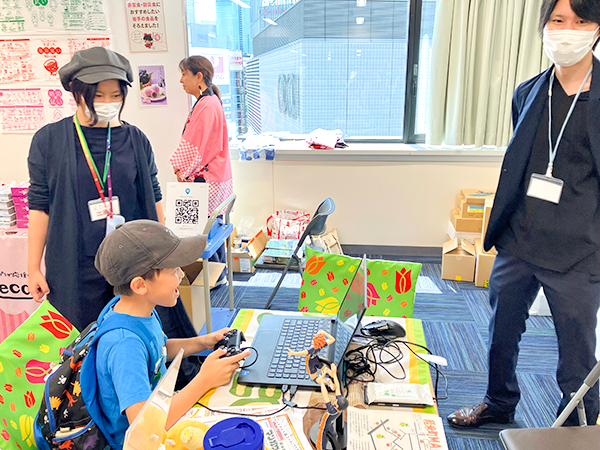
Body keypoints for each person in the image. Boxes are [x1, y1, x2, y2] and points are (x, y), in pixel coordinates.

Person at [447, 0, 600, 428]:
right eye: (558, 20)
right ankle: (498, 403)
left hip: (578, 251)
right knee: (500, 335)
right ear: (544, 27)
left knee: (576, 356)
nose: (568, 30)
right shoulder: (529, 91)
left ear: (597, 29)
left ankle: (575, 428)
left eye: (581, 20)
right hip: (520, 240)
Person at [27, 47, 166, 332]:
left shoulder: (136, 139)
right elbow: (40, 207)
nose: (107, 102)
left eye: (115, 95)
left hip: (130, 264)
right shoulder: (49, 141)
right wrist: (32, 268)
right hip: (74, 265)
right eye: (97, 95)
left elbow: (154, 196)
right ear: (76, 93)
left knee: (133, 335)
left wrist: (163, 258)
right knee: (79, 343)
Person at [85, 220, 250, 450]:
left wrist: (204, 341)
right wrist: (203, 380)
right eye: (173, 270)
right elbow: (145, 428)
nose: (182, 275)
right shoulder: (124, 345)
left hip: (161, 414)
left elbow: (158, 348)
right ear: (140, 285)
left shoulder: (137, 311)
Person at [169, 56, 233, 282]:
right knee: (212, 227)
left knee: (204, 231)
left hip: (206, 178)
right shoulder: (211, 101)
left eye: (184, 74)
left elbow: (195, 145)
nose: (180, 80)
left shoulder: (206, 105)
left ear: (198, 76)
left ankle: (214, 276)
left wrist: (180, 169)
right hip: (217, 175)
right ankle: (219, 274)